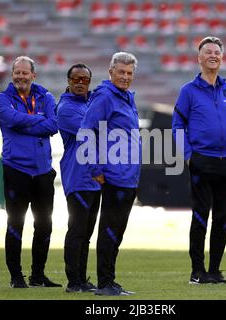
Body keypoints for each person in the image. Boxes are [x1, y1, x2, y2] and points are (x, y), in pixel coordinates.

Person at [172, 37, 226, 284]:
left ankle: (214, 270)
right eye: (208, 52)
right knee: (200, 215)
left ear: (221, 58)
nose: (213, 55)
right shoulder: (188, 91)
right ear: (199, 58)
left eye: (217, 52)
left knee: (222, 217)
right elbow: (177, 125)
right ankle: (197, 271)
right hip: (203, 160)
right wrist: (189, 157)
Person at [0, 56, 61, 288]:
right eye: (17, 72)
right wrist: (37, 120)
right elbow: (9, 119)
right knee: (16, 223)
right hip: (16, 169)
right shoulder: (2, 99)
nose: (21, 76)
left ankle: (38, 275)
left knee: (44, 224)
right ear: (12, 75)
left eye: (25, 73)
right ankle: (15, 276)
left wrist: (25, 123)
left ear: (33, 75)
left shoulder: (47, 97)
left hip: (43, 171)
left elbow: (53, 125)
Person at [79, 52, 141, 296]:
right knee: (110, 230)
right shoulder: (105, 97)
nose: (125, 77)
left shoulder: (126, 97)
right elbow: (87, 131)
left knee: (117, 231)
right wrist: (95, 168)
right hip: (114, 174)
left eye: (129, 73)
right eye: (121, 72)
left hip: (128, 175)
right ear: (110, 72)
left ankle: (110, 281)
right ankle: (105, 283)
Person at [56, 63, 101, 293]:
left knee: (87, 233)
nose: (81, 83)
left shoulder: (91, 102)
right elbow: (91, 131)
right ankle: (73, 281)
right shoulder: (65, 108)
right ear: (69, 81)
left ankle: (82, 279)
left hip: (95, 178)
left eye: (85, 79)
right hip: (78, 175)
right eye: (76, 79)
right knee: (77, 230)